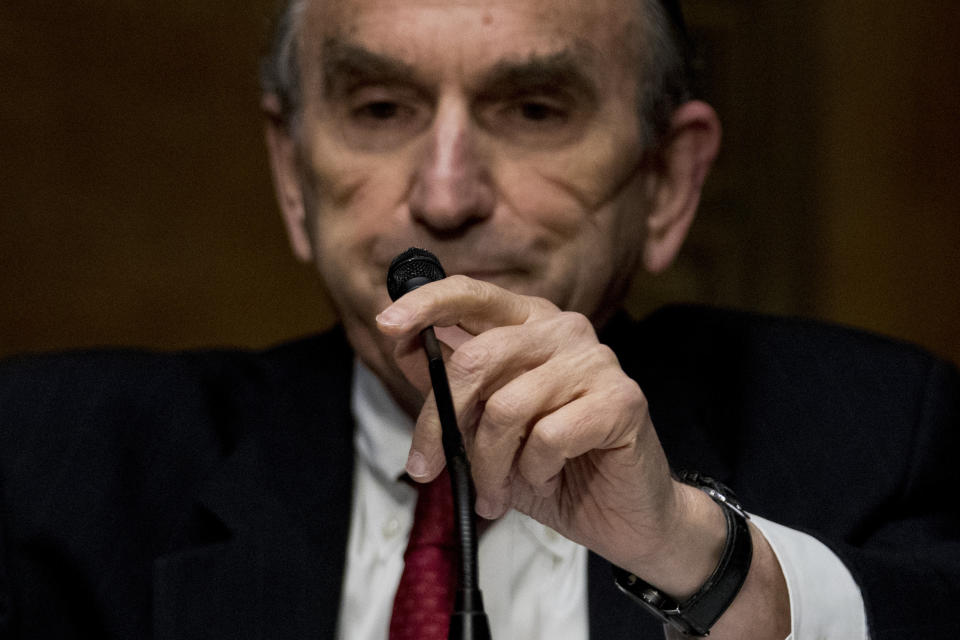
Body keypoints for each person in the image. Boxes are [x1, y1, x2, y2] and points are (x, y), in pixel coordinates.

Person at [0, 0, 957, 638]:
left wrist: (697, 557)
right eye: (379, 108)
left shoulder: (877, 434)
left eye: (534, 110)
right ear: (294, 175)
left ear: (666, 183)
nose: (446, 194)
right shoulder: (49, 463)